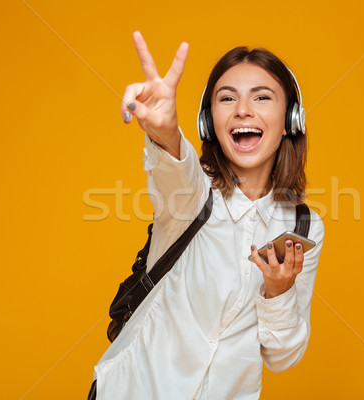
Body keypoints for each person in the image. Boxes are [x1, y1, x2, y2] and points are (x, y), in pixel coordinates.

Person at [91, 31, 325, 399]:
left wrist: (278, 293)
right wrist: (165, 131)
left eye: (262, 97)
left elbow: (282, 357)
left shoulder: (303, 226)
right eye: (226, 98)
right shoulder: (191, 193)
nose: (242, 110)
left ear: (290, 120)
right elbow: (174, 167)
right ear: (208, 122)